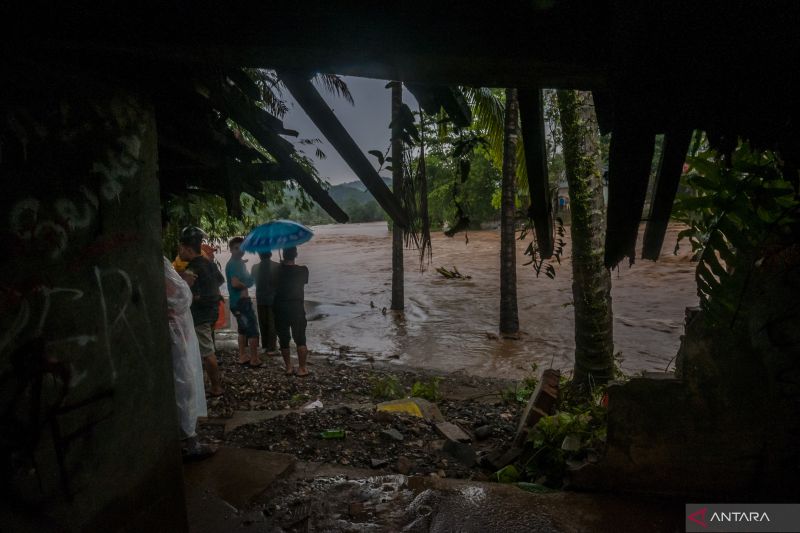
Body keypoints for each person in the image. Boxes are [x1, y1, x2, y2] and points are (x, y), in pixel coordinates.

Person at [163, 257, 214, 461]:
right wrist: (186, 283)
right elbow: (181, 297)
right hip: (176, 333)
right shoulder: (159, 263)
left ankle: (185, 435)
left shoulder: (161, 262)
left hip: (176, 331)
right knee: (184, 383)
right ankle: (189, 440)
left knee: (182, 381)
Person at [178, 226, 225, 396]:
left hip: (201, 315)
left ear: (187, 248)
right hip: (213, 311)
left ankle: (216, 387)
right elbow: (220, 280)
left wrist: (198, 294)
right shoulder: (208, 263)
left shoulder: (193, 268)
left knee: (207, 352)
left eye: (180, 248)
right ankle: (210, 382)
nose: (179, 251)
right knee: (206, 348)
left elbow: (183, 291)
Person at [225, 237, 263, 367]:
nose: (239, 251)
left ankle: (242, 356)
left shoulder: (236, 262)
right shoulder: (235, 263)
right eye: (236, 248)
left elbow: (239, 278)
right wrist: (247, 284)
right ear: (230, 249)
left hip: (236, 303)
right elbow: (235, 284)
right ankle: (254, 359)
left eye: (242, 248)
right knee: (252, 330)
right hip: (242, 302)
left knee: (242, 330)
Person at [273, 246, 310, 377]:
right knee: (300, 338)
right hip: (296, 308)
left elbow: (273, 284)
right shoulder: (303, 270)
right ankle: (302, 368)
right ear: (296, 254)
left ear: (283, 255)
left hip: (280, 308)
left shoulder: (276, 271)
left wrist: (281, 267)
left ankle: (288, 367)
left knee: (283, 339)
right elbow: (303, 281)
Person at [252, 251, 280, 355]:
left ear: (259, 254)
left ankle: (264, 345)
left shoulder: (254, 267)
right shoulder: (277, 266)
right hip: (273, 298)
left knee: (263, 322)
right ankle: (272, 347)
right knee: (272, 323)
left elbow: (253, 281)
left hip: (260, 298)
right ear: (270, 254)